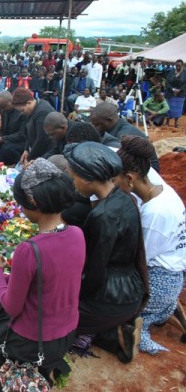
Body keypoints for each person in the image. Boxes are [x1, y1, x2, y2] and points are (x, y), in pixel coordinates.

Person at [0, 158, 85, 391]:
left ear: (33, 202)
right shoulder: (77, 234)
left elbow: (12, 308)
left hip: (32, 345)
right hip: (65, 337)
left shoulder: (31, 249)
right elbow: (46, 279)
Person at [64, 141, 149, 363]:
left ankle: (114, 334)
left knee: (51, 316)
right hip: (131, 290)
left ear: (87, 178)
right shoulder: (126, 198)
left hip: (110, 298)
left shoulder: (102, 216)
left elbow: (94, 275)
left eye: (73, 178)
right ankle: (115, 329)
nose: (73, 183)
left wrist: (68, 297)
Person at [114, 136, 186, 354]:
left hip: (159, 280)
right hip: (173, 275)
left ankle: (144, 336)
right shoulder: (155, 186)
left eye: (115, 180)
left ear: (129, 178)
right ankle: (168, 310)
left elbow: (138, 260)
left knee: (115, 310)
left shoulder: (156, 214)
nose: (113, 184)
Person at [90, 103, 160, 172]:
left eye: (97, 125)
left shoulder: (124, 136)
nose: (94, 128)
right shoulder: (115, 128)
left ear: (109, 120)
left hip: (147, 173)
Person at [13, 88, 55, 164]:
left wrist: (29, 157)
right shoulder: (33, 108)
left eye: (22, 110)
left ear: (29, 103)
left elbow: (42, 139)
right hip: (36, 149)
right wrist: (26, 150)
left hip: (47, 153)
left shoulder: (42, 112)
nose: (22, 113)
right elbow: (29, 133)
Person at [0, 90, 26, 166]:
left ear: (11, 101)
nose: (3, 109)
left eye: (4, 107)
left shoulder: (22, 112)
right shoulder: (4, 111)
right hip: (8, 142)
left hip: (21, 144)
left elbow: (22, 135)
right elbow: (3, 130)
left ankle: (21, 164)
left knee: (5, 149)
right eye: (1, 107)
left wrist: (1, 139)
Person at [165, 59, 186, 128]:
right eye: (176, 66)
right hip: (170, 92)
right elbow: (167, 82)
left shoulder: (185, 73)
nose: (178, 67)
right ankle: (167, 122)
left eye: (179, 66)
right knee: (168, 107)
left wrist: (179, 90)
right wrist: (172, 89)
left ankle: (176, 122)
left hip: (180, 93)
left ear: (182, 66)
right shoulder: (171, 72)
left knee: (178, 108)